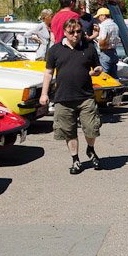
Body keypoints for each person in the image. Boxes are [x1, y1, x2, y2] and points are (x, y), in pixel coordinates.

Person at [40, 18, 104, 175]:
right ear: (65, 33)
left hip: (86, 96)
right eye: (72, 32)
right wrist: (44, 93)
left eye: (78, 31)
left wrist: (97, 71)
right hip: (63, 97)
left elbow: (98, 66)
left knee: (91, 129)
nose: (76, 35)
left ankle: (90, 149)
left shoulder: (88, 47)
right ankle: (75, 160)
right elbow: (48, 73)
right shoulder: (55, 50)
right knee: (69, 132)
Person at [94, 7, 120, 79]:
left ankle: (106, 90)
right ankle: (115, 89)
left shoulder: (105, 25)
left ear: (103, 16)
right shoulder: (115, 25)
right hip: (114, 52)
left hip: (105, 53)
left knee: (104, 76)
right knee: (114, 75)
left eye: (99, 16)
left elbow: (102, 39)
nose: (98, 19)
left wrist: (101, 46)